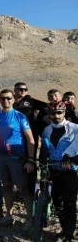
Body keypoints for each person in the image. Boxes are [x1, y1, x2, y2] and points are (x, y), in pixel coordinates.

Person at [0, 89, 35, 234]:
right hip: (1, 158)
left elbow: (30, 139)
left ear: (12, 100)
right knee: (6, 187)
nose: (5, 101)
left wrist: (31, 160)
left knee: (23, 189)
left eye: (8, 98)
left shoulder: (20, 117)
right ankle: (9, 215)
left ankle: (30, 220)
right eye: (2, 98)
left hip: (17, 158)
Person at [41, 101, 78, 242]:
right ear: (49, 114)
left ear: (64, 113)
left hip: (70, 172)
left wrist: (73, 158)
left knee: (69, 204)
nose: (56, 115)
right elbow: (45, 150)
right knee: (57, 203)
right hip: (53, 170)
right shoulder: (46, 130)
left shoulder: (75, 128)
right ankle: (64, 229)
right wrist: (42, 161)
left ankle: (69, 234)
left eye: (59, 112)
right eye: (53, 113)